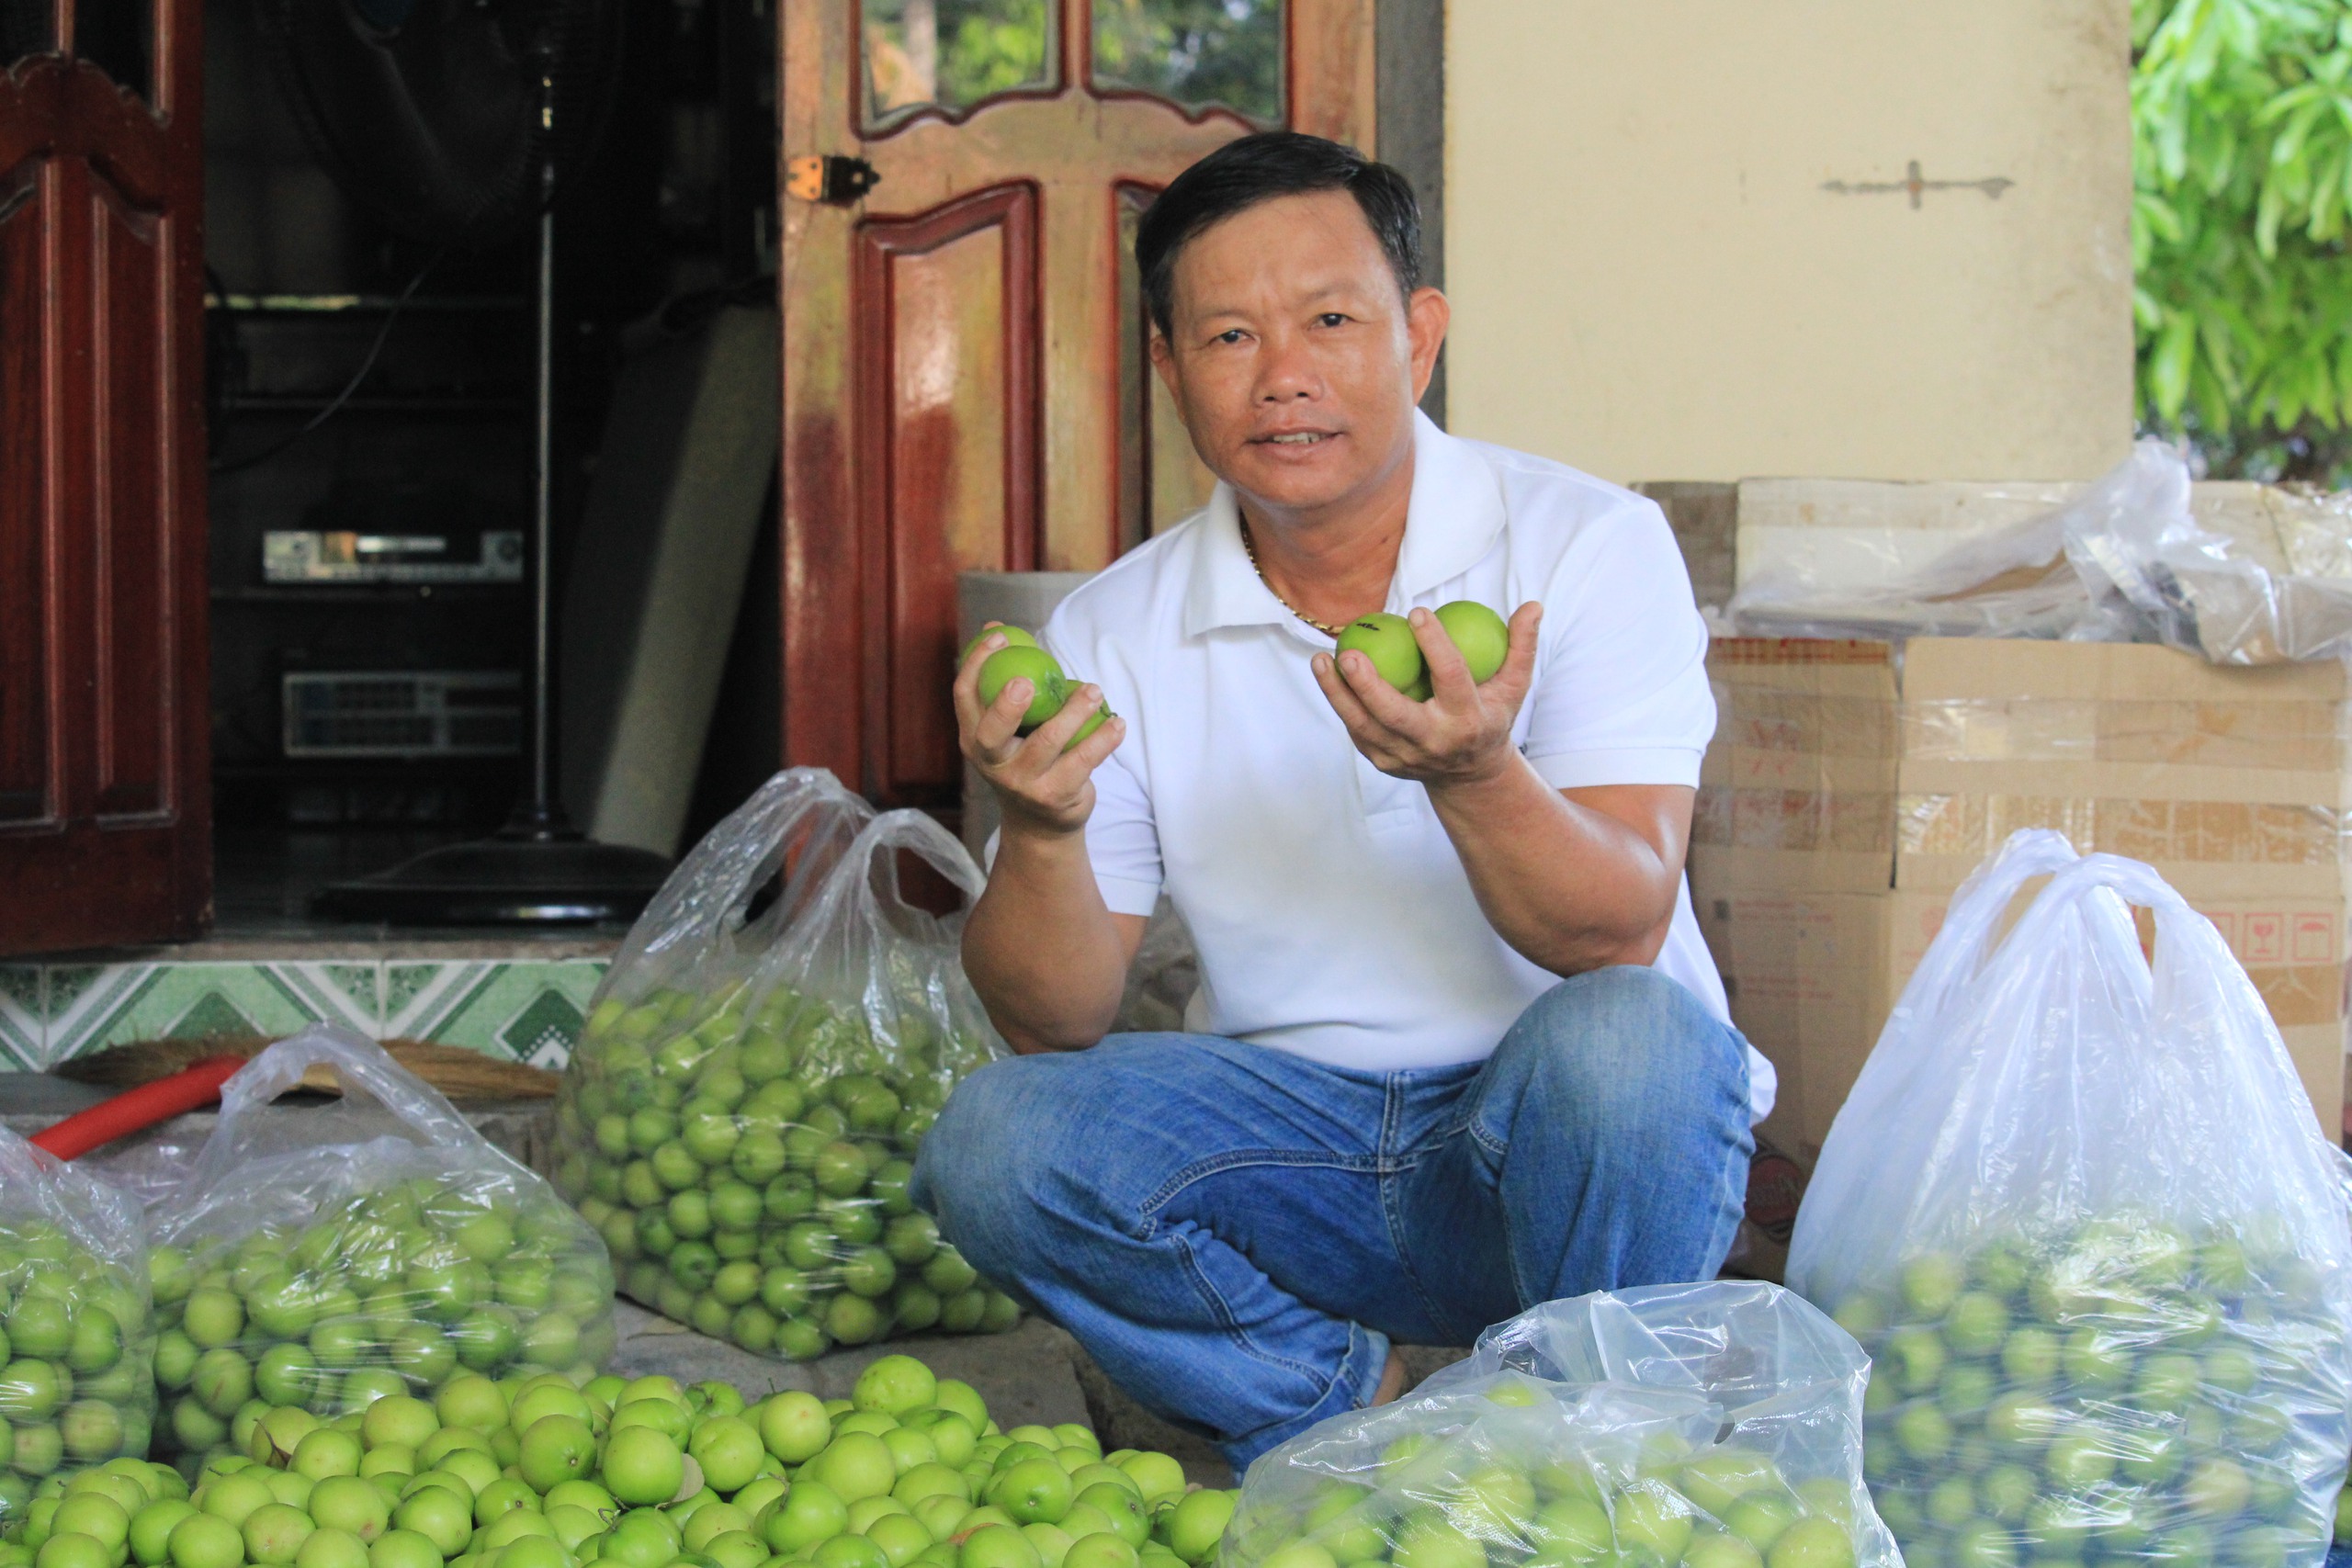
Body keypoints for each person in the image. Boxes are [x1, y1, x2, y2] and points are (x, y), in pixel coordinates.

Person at [910, 130, 1770, 1469]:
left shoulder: (1586, 547)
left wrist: (1476, 776)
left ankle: (1587, 1448)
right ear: (1167, 369)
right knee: (994, 1142)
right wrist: (1041, 826)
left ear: (1420, 337)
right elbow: (1054, 1019)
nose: (1286, 377)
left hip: (1556, 1148)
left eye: (1330, 320)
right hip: (1298, 1160)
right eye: (1230, 337)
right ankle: (1340, 1419)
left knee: (1631, 1044)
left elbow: (1614, 930)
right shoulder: (1112, 627)